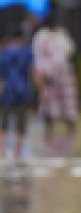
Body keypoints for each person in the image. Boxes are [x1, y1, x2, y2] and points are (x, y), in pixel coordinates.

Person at [31, 9, 79, 151]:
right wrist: (42, 75)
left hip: (64, 75)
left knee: (68, 107)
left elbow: (69, 51)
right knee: (48, 108)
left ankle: (72, 138)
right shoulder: (41, 36)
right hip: (48, 76)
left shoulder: (62, 34)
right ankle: (49, 138)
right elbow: (39, 57)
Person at [0, 24, 34, 161]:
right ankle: (17, 153)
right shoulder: (27, 52)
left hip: (7, 90)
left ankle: (1, 150)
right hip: (23, 90)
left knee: (4, 121)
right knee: (21, 123)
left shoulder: (4, 52)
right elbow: (33, 71)